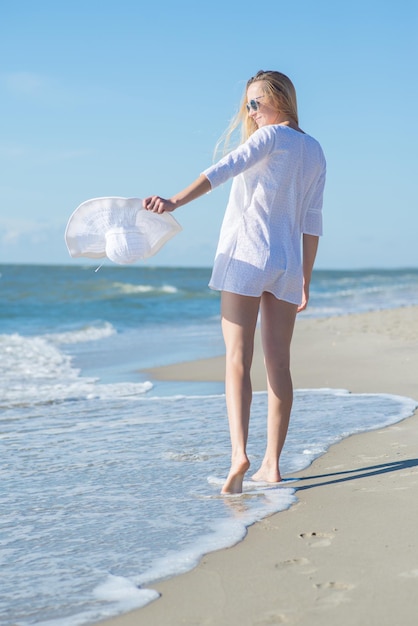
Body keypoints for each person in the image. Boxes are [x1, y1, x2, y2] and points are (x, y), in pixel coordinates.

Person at [143, 70, 326, 495]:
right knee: (279, 363)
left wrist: (173, 202)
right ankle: (272, 466)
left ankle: (239, 454)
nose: (251, 111)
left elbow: (222, 169)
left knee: (236, 359)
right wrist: (306, 278)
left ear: (278, 99)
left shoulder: (269, 138)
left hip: (246, 255)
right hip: (285, 263)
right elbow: (313, 222)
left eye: (255, 103)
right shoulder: (315, 151)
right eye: (248, 104)